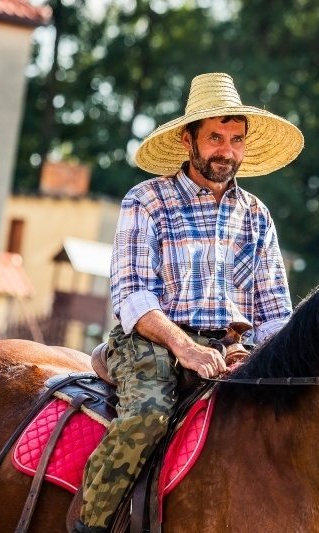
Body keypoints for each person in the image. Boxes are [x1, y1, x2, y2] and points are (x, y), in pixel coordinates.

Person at [74, 72, 304, 533]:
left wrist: (260, 353)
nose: (227, 150)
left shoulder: (256, 216)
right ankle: (89, 524)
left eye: (236, 139)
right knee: (147, 415)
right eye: (216, 137)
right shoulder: (147, 200)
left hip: (231, 352)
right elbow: (132, 296)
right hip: (151, 342)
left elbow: (276, 312)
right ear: (188, 139)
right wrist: (186, 348)